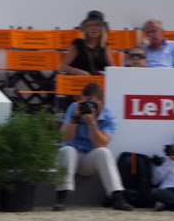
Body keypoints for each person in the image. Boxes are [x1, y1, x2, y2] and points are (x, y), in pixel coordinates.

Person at [53, 82, 133, 211]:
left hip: (90, 160)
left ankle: (117, 196)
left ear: (101, 101)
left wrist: (92, 123)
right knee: (67, 150)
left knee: (104, 152)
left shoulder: (109, 117)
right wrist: (75, 118)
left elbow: (100, 144)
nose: (87, 106)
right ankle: (62, 196)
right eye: (84, 102)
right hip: (71, 158)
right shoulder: (74, 108)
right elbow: (64, 137)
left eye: (91, 102)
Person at [59, 10, 110, 75]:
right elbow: (62, 67)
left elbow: (112, 68)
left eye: (97, 25)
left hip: (99, 82)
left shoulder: (103, 46)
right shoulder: (78, 44)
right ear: (86, 28)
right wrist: (80, 72)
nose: (93, 28)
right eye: (90, 25)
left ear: (102, 29)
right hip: (80, 82)